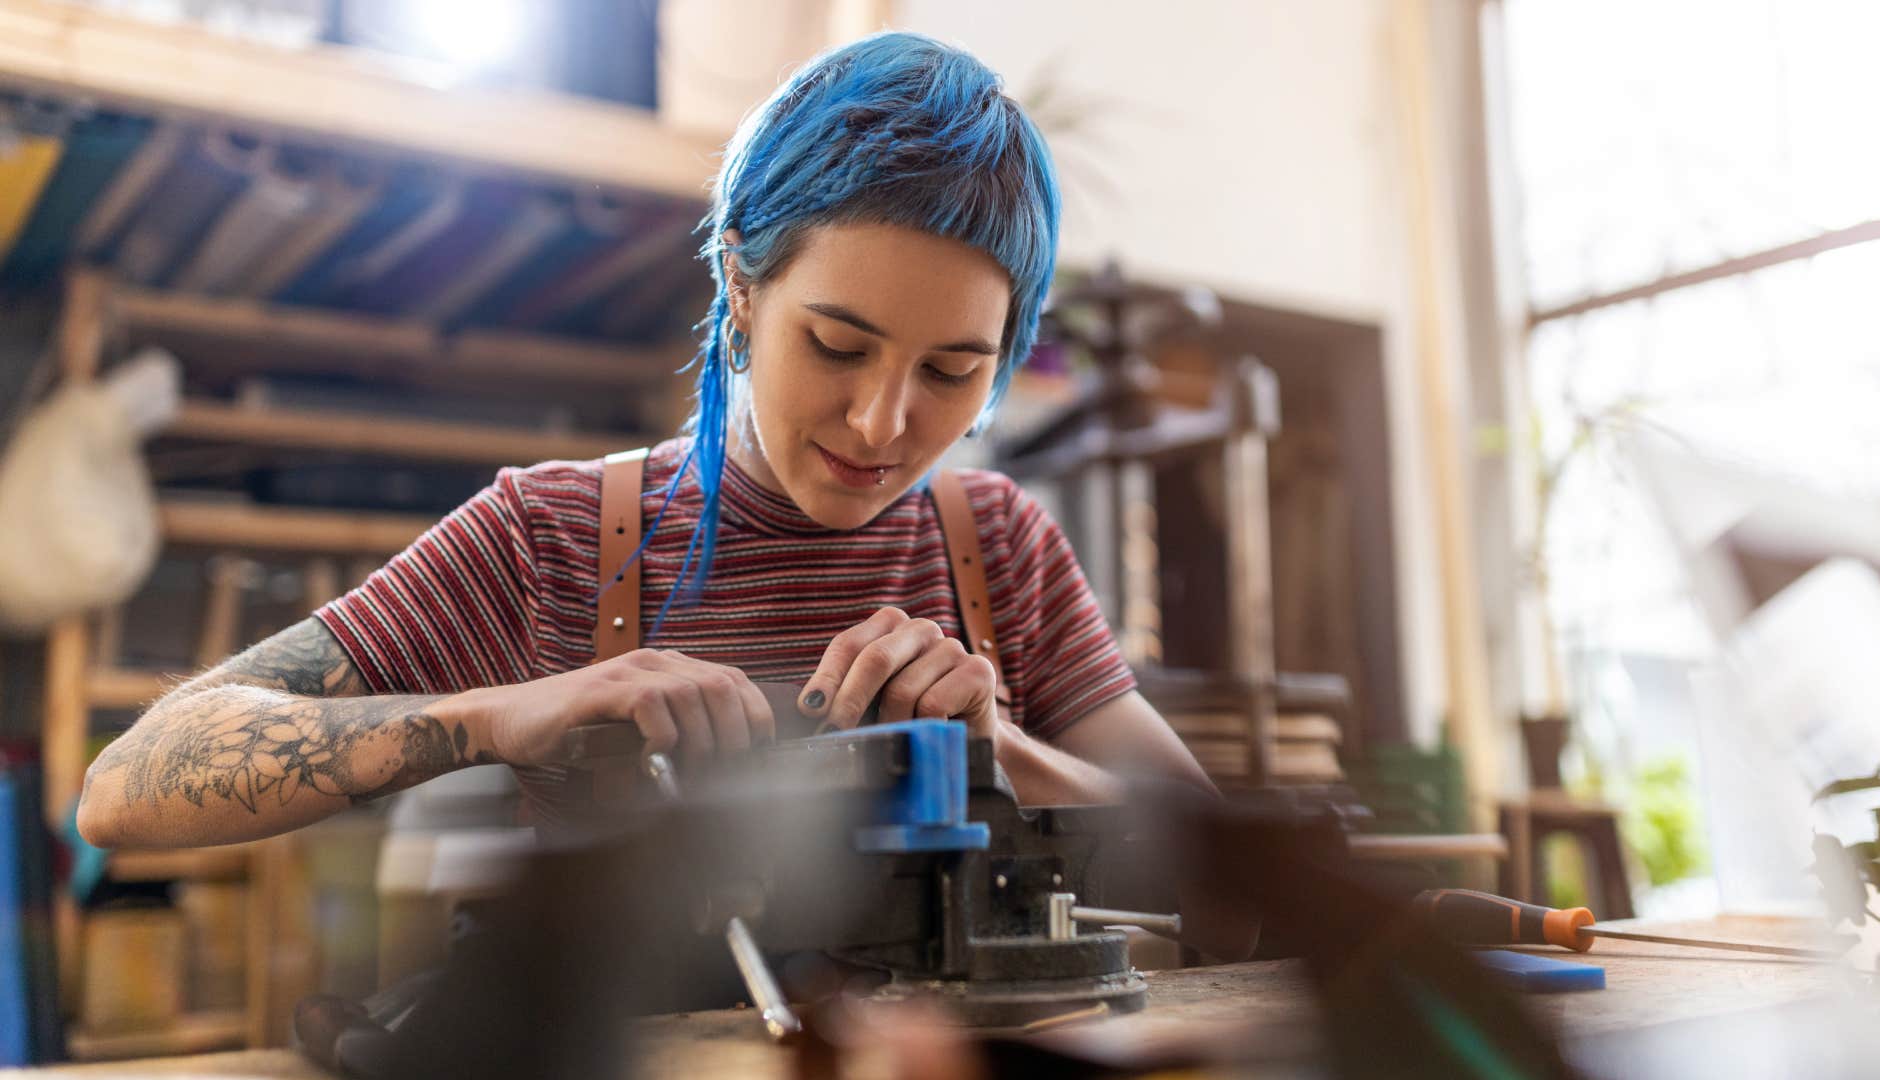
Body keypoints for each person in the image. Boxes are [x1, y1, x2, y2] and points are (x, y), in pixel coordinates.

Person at [75, 31, 1215, 850]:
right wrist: (497, 716)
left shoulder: (997, 547)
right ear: (743, 288)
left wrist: (996, 752)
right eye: (836, 345)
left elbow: (1216, 858)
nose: (883, 422)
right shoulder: (557, 541)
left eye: (952, 373)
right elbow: (129, 787)